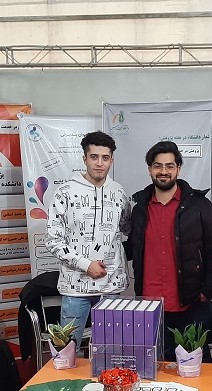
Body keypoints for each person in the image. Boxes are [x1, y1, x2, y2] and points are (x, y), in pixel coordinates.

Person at [128, 141, 212, 362]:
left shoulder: (200, 205)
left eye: (169, 166)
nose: (163, 171)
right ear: (150, 169)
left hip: (190, 301)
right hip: (149, 304)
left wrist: (209, 289)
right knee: (155, 366)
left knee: (194, 366)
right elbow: (133, 246)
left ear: (178, 168)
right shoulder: (140, 208)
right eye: (158, 166)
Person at [45, 131, 131, 348]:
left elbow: (127, 229)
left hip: (111, 287)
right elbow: (53, 240)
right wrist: (86, 264)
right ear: (84, 159)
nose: (99, 163)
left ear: (111, 160)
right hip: (75, 288)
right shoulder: (64, 192)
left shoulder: (119, 193)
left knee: (112, 349)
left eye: (105, 158)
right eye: (94, 157)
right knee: (68, 350)